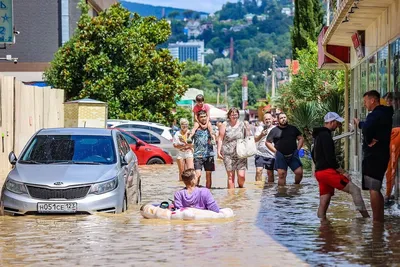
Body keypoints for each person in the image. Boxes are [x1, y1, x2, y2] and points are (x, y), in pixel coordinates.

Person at [312, 112, 370, 220]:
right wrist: (343, 172)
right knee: (355, 190)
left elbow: (313, 154)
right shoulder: (326, 136)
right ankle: (366, 219)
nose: (338, 125)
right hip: (327, 172)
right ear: (331, 122)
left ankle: (323, 227)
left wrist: (320, 167)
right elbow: (330, 158)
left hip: (319, 172)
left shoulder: (318, 135)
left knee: (324, 200)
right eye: (337, 123)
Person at [354, 90, 393, 222]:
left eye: (365, 101)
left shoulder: (375, 114)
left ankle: (377, 222)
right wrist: (361, 124)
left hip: (374, 156)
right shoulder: (385, 114)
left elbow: (367, 128)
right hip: (382, 154)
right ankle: (380, 219)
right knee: (376, 187)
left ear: (372, 100)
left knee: (373, 188)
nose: (364, 104)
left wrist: (369, 139)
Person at [266, 113, 304, 186]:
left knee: (299, 173)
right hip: (280, 155)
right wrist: (276, 151)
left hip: (293, 154)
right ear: (278, 120)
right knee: (282, 174)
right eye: (281, 118)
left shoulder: (293, 128)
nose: (283, 119)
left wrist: (298, 149)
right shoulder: (274, 130)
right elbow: (267, 142)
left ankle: (296, 187)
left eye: (284, 117)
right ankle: (282, 193)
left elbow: (301, 138)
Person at [217, 107, 251, 189]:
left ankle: (240, 188)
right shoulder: (225, 124)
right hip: (228, 153)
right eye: (232, 114)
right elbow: (220, 138)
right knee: (230, 177)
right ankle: (231, 197)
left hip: (241, 153)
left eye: (235, 114)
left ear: (238, 115)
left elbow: (248, 137)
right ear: (229, 116)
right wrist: (218, 151)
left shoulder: (243, 124)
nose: (234, 116)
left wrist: (248, 130)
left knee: (241, 176)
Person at [193, 110, 215, 189]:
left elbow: (213, 134)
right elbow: (190, 137)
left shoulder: (209, 126)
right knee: (198, 174)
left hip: (209, 154)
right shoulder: (196, 127)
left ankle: (208, 193)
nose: (203, 118)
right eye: (201, 117)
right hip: (197, 154)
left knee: (208, 175)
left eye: (204, 116)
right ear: (198, 118)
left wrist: (213, 139)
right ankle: (195, 191)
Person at [254, 113, 275, 183]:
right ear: (263, 120)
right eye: (266, 119)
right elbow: (255, 139)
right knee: (258, 171)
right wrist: (261, 135)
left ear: (272, 119)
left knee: (270, 173)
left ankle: (270, 189)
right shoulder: (260, 128)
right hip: (260, 153)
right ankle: (258, 189)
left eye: (269, 119)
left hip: (271, 154)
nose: (268, 120)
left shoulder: (275, 129)